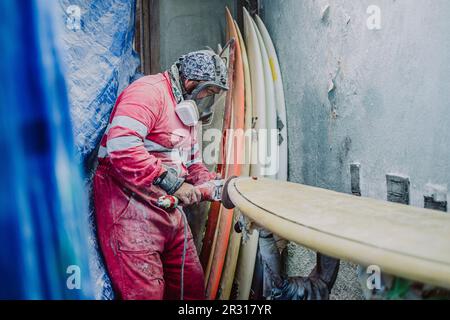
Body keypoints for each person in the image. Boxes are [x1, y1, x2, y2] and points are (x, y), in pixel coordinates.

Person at [93, 50, 228, 300]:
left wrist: (220, 188)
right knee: (146, 294)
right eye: (209, 94)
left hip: (167, 209)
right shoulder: (148, 93)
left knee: (192, 289)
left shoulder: (187, 115)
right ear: (191, 84)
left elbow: (194, 166)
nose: (208, 102)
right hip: (128, 209)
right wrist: (175, 185)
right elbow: (122, 146)